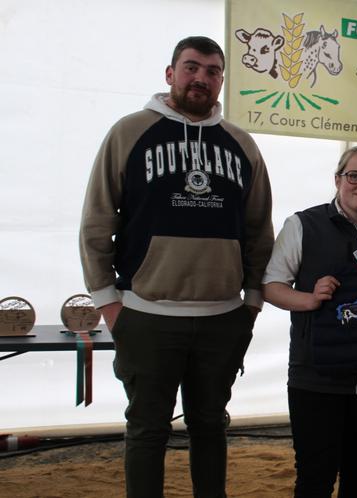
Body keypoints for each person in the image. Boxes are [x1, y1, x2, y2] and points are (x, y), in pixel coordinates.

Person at [79, 36, 274, 498]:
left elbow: (258, 228)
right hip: (147, 315)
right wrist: (108, 302)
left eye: (212, 71)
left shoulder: (242, 145)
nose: (200, 79)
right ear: (170, 74)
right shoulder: (129, 132)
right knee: (147, 431)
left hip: (222, 318)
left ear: (222, 80)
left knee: (210, 426)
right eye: (191, 68)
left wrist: (251, 301)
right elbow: (96, 222)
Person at [262, 145, 357, 498]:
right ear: (338, 179)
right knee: (315, 476)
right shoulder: (303, 224)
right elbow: (271, 286)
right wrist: (310, 299)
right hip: (316, 377)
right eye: (354, 176)